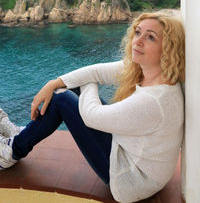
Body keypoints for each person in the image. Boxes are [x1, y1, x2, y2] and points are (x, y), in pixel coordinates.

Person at [0, 12, 185, 203]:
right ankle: (22, 135)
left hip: (131, 180)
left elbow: (91, 116)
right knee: (67, 88)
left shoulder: (154, 100)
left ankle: (13, 150)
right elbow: (96, 71)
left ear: (168, 49)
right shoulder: (148, 73)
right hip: (134, 158)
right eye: (138, 33)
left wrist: (87, 84)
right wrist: (54, 82)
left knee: (62, 100)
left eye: (151, 37)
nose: (138, 41)